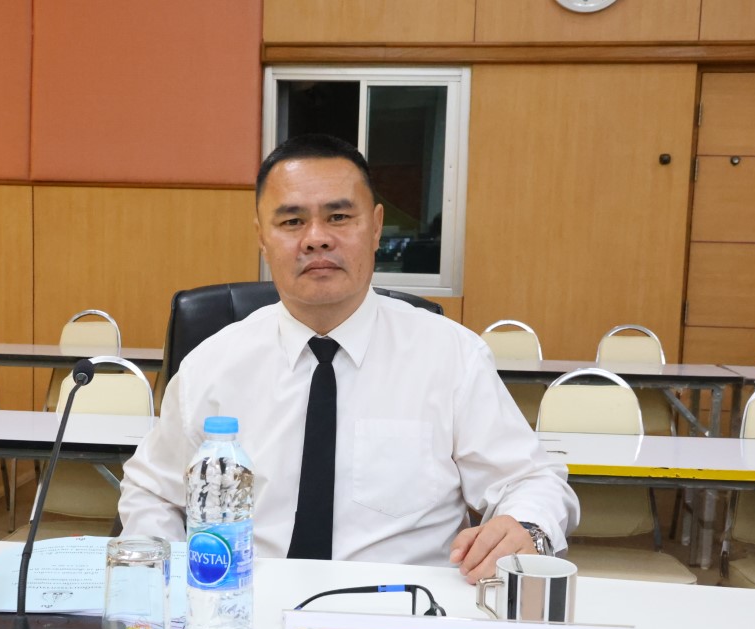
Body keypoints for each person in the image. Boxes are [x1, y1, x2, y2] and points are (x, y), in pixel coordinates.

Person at [119, 134, 578, 583]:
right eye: (292, 221)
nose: (316, 239)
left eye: (339, 217)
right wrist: (166, 580)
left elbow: (532, 479)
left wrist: (526, 527)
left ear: (376, 227)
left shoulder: (452, 356)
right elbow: (153, 492)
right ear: (262, 238)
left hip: (402, 614)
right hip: (248, 607)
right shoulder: (210, 366)